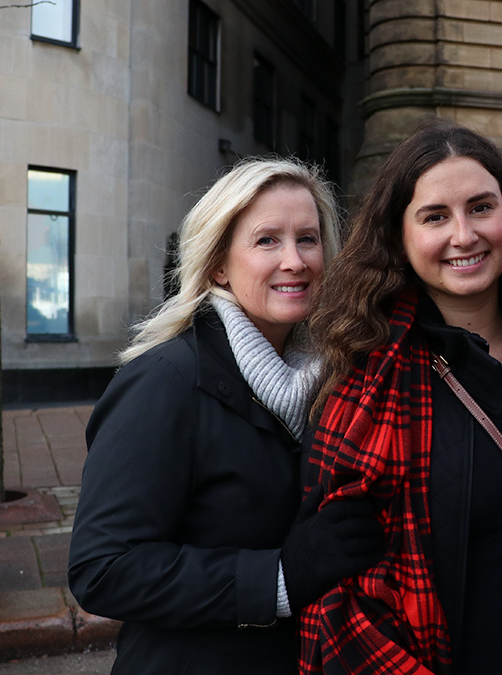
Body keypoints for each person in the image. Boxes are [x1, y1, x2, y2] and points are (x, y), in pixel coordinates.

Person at [295, 119, 502, 675]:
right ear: (399, 237)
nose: (464, 235)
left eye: (482, 207)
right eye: (435, 216)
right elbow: (339, 598)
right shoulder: (366, 385)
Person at [68, 157, 384, 674]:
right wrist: (279, 578)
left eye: (308, 239)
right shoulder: (166, 380)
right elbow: (104, 570)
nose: (295, 260)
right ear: (218, 264)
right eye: (267, 241)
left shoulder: (333, 379)